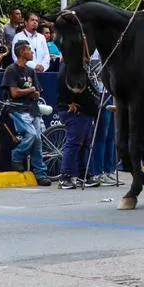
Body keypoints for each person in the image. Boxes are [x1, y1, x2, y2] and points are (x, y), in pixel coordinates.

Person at [2, 40, 52, 185]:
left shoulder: (30, 71)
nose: (32, 52)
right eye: (29, 50)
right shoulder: (11, 70)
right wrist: (30, 91)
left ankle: (41, 174)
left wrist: (34, 93)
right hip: (17, 109)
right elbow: (14, 93)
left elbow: (37, 91)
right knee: (32, 135)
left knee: (38, 141)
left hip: (32, 108)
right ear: (22, 52)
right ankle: (17, 155)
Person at [57, 51, 103, 189]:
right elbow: (61, 81)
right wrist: (68, 102)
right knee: (74, 143)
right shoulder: (69, 66)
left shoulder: (81, 67)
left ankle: (84, 176)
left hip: (87, 110)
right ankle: (64, 177)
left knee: (85, 144)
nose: (86, 57)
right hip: (76, 111)